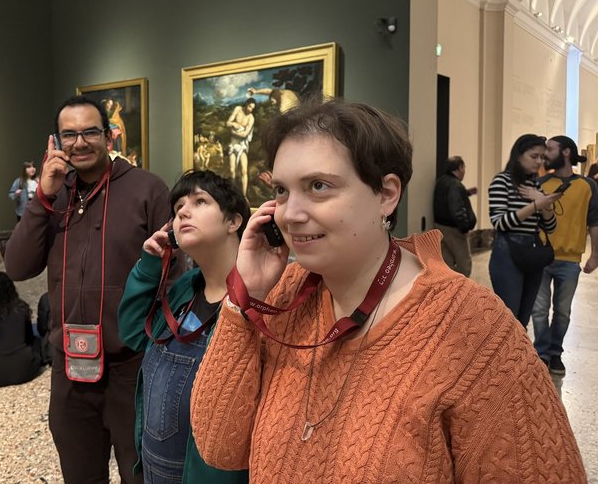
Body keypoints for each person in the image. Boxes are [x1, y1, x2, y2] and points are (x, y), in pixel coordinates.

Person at [189, 100, 586, 482]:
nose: (290, 214)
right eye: (281, 190)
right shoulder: (283, 293)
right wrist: (244, 299)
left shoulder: (474, 330)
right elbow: (219, 446)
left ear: (387, 194)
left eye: (318, 186)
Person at [4, 95, 175, 483]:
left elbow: (173, 275)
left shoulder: (148, 189)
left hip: (132, 366)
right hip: (70, 366)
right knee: (80, 473)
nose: (79, 143)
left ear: (109, 137)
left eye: (90, 132)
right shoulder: (55, 195)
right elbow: (17, 266)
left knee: (140, 473)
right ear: (55, 141)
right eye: (69, 135)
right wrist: (43, 197)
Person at [118, 170, 250, 484]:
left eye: (200, 201)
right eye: (178, 207)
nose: (183, 212)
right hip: (156, 470)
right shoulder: (185, 290)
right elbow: (134, 333)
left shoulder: (258, 300)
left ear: (233, 221)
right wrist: (149, 266)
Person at [533, 135, 598, 376]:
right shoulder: (541, 183)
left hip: (570, 261)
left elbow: (594, 222)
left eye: (550, 149)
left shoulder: (587, 186)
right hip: (542, 257)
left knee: (562, 312)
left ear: (566, 152)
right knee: (539, 310)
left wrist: (595, 255)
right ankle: (541, 353)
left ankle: (555, 353)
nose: (546, 154)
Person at [488, 134, 561, 327]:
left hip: (532, 249)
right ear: (519, 156)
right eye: (534, 156)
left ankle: (519, 348)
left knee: (523, 319)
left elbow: (551, 227)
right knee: (508, 318)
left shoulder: (535, 185)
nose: (539, 162)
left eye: (542, 157)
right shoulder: (502, 181)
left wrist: (545, 205)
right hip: (507, 251)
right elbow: (500, 223)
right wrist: (536, 204)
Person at [433, 156, 477, 276]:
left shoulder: (442, 181)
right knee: (464, 265)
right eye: (464, 168)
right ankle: (459, 286)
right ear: (460, 167)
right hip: (454, 230)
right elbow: (456, 208)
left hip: (440, 227)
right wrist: (464, 228)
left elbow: (447, 198)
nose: (464, 171)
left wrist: (466, 193)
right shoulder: (455, 185)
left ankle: (449, 285)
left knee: (447, 262)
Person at [226, 98, 256, 196]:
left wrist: (233, 132)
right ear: (246, 104)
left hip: (242, 145)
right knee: (232, 170)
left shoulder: (251, 118)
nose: (250, 109)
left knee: (244, 170)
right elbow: (228, 123)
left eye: (252, 108)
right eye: (250, 106)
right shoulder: (238, 109)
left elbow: (245, 134)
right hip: (233, 144)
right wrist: (234, 124)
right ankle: (232, 194)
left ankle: (244, 196)